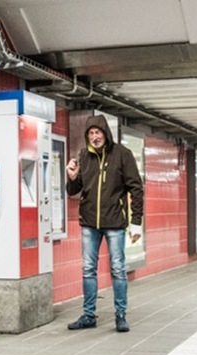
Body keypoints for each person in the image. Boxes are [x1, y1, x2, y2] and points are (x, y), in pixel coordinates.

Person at [65, 114, 144, 333]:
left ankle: (120, 314)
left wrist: (136, 222)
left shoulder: (122, 155)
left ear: (105, 134)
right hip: (89, 222)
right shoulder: (84, 156)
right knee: (88, 268)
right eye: (90, 133)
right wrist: (71, 178)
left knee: (118, 269)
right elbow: (75, 190)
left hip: (115, 222)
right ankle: (89, 315)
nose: (94, 136)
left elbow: (136, 188)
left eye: (97, 132)